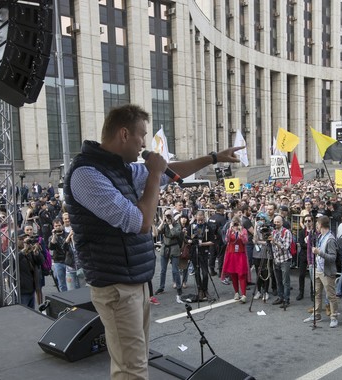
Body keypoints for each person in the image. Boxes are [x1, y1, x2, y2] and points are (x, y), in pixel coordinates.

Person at [64, 104, 240, 379]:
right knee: (131, 369)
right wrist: (155, 173)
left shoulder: (118, 168)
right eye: (141, 135)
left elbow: (170, 169)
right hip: (116, 286)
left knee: (135, 360)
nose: (144, 143)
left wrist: (213, 157)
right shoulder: (87, 174)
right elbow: (141, 222)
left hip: (133, 280)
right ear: (124, 134)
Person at [303, 215, 340, 327]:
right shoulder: (321, 236)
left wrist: (319, 253)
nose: (316, 227)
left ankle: (334, 317)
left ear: (320, 225)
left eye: (317, 224)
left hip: (327, 271)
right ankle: (317, 314)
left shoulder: (330, 239)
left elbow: (333, 257)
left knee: (331, 295)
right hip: (318, 269)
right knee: (317, 293)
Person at [223, 216, 249, 303]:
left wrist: (240, 232)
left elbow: (245, 241)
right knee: (233, 274)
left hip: (240, 255)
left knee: (241, 274)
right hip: (231, 254)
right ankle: (236, 292)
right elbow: (226, 239)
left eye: (237, 224)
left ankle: (244, 294)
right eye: (234, 224)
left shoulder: (243, 230)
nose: (236, 226)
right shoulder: (230, 231)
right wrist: (230, 229)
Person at [271, 215, 293, 308]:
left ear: (282, 222)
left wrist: (275, 241)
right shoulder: (273, 232)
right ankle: (280, 297)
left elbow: (285, 247)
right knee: (278, 281)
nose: (276, 224)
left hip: (285, 260)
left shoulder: (286, 232)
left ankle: (286, 299)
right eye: (275, 222)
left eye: (278, 222)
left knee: (285, 281)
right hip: (276, 259)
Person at [17, 234, 44, 308]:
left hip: (32, 288)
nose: (24, 242)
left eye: (26, 240)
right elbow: (12, 262)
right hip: (22, 290)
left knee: (32, 312)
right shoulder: (12, 252)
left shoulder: (30, 251)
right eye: (21, 239)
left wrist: (36, 253)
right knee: (24, 312)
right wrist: (23, 251)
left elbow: (41, 262)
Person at [48, 218, 69, 292]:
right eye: (56, 226)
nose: (58, 227)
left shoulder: (67, 235)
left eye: (59, 225)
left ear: (62, 225)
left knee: (70, 281)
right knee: (62, 283)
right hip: (58, 261)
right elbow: (51, 247)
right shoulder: (51, 237)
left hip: (67, 260)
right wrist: (54, 235)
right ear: (53, 227)